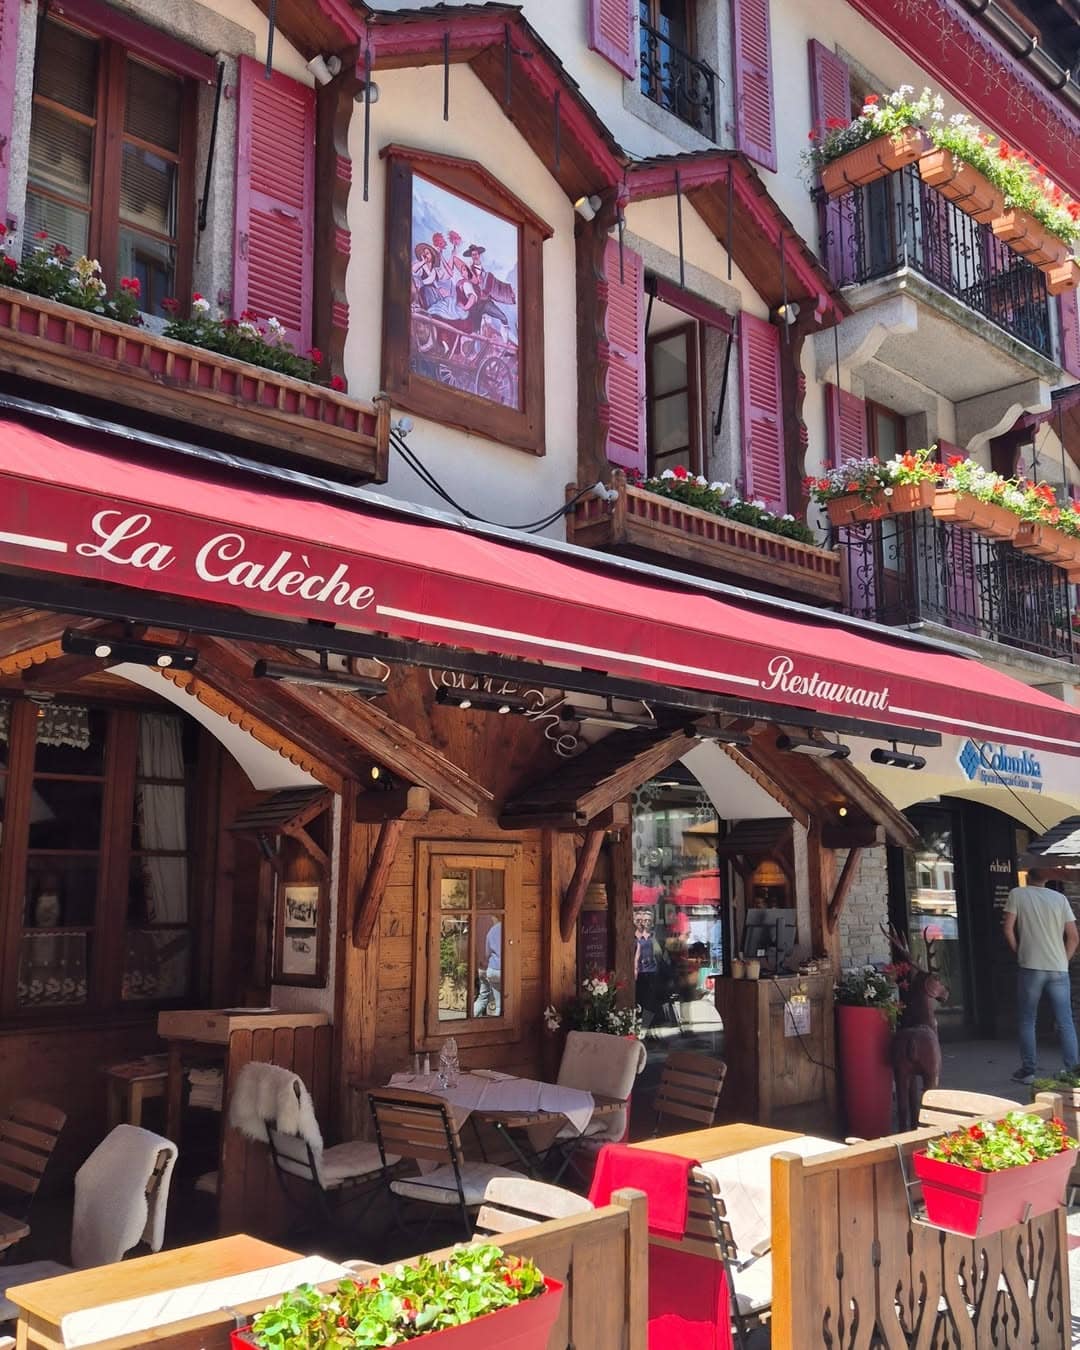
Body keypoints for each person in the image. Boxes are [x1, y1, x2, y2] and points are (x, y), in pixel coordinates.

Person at [1002, 868, 1079, 1084]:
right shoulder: (1060, 899)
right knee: (1065, 1021)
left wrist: (1019, 951)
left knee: (1028, 1020)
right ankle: (1073, 1072)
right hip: (1058, 968)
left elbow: (1008, 929)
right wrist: (1063, 960)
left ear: (1027, 877)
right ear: (1046, 879)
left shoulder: (1017, 894)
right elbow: (1073, 937)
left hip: (1031, 966)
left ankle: (1028, 1071)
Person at [473, 917, 502, 1017]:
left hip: (487, 968)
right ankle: (496, 1024)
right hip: (500, 969)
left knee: (482, 998)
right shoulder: (507, 929)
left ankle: (470, 1018)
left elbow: (487, 952)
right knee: (498, 1004)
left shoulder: (491, 930)